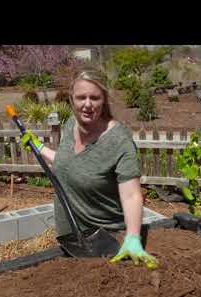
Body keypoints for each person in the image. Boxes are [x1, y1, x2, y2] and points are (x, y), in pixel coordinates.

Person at [19, 67, 158, 270]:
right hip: (74, 239)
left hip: (106, 240)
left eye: (94, 97)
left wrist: (133, 237)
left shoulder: (118, 141)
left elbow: (131, 195)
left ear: (104, 99)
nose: (87, 104)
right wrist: (40, 148)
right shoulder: (70, 125)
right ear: (71, 99)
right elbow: (71, 165)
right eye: (81, 97)